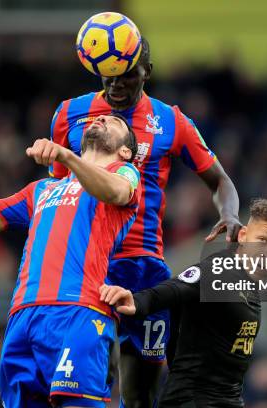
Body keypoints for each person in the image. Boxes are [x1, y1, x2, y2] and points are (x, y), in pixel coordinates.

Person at [49, 37, 241, 407]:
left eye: (127, 77)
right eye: (108, 77)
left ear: (146, 72)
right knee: (82, 388)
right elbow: (57, 192)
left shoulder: (171, 121)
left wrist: (229, 214)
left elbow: (220, 181)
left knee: (140, 395)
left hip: (143, 269)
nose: (117, 86)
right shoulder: (70, 114)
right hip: (86, 265)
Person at [0, 114, 142, 407]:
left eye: (114, 121)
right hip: (23, 315)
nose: (101, 117)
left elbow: (114, 191)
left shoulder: (125, 172)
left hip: (78, 311)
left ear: (125, 150)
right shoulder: (42, 190)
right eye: (100, 117)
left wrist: (67, 157)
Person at [99, 197, 267, 407]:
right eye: (263, 241)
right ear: (243, 235)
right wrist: (136, 300)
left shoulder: (247, 282)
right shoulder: (220, 270)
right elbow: (178, 288)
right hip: (194, 400)